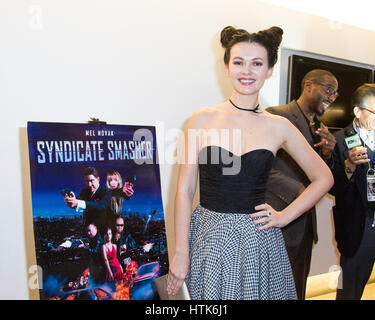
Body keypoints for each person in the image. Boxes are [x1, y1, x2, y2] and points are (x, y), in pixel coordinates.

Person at [166, 26, 334, 300]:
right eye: (238, 62)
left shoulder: (279, 126)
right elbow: (184, 191)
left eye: (257, 63)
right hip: (210, 238)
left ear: (269, 70)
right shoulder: (202, 119)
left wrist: (283, 216)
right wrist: (181, 253)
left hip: (259, 242)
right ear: (227, 66)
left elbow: (324, 178)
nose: (247, 71)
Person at [265, 69, 339, 299]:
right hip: (276, 215)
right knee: (272, 288)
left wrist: (327, 153)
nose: (332, 97)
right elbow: (262, 168)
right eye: (328, 89)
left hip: (305, 222)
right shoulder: (276, 116)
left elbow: (319, 174)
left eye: (335, 94)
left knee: (297, 286)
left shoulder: (318, 127)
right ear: (308, 85)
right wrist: (301, 191)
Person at [331, 83, 375, 300]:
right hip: (360, 223)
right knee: (350, 287)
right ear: (358, 111)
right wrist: (349, 164)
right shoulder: (339, 140)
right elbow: (333, 186)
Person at [64, 167, 112, 233]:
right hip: (88, 232)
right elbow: (77, 201)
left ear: (98, 179)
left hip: (103, 233)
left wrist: (77, 203)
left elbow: (101, 205)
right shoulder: (84, 192)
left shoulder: (106, 192)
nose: (89, 185)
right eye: (87, 181)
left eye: (91, 181)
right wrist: (71, 200)